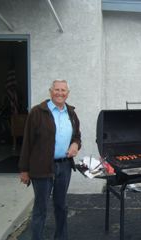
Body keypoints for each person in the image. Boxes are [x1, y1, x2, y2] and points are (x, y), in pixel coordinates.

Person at [19, 80, 81, 240]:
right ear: (50, 91)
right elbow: (27, 142)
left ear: (68, 93)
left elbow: (77, 136)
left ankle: (61, 237)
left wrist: (75, 144)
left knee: (61, 206)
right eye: (57, 90)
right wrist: (24, 169)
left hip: (65, 166)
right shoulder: (37, 112)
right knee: (41, 208)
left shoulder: (71, 113)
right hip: (41, 167)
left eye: (63, 90)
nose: (60, 93)